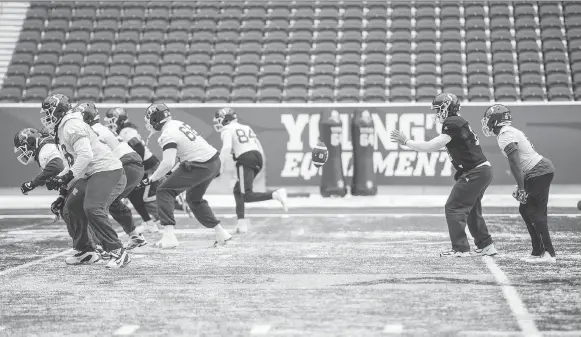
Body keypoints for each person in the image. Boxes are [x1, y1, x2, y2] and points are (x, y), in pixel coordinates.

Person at [390, 92, 497, 257]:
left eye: (438, 110)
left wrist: (406, 142)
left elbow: (431, 146)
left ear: (447, 108)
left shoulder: (453, 122)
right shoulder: (457, 122)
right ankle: (486, 245)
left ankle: (460, 249)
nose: (437, 114)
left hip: (475, 171)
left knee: (453, 207)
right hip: (481, 170)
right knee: (472, 209)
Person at [41, 93, 130, 268]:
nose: (46, 117)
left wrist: (68, 175)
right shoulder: (63, 127)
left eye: (49, 111)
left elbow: (86, 155)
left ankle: (118, 251)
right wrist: (61, 179)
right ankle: (87, 251)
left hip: (106, 169)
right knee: (71, 207)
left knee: (92, 208)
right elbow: (74, 161)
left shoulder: (71, 126)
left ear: (59, 110)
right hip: (91, 172)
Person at [137, 103, 232, 248]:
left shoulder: (167, 134)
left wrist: (152, 178)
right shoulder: (176, 124)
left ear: (156, 118)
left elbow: (168, 162)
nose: (148, 123)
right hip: (213, 161)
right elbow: (183, 156)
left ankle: (169, 236)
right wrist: (168, 173)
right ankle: (221, 232)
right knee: (194, 199)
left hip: (200, 165)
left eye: (150, 119)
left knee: (164, 191)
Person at [482, 104, 556, 263]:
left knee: (534, 211)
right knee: (526, 209)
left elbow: (515, 163)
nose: (487, 123)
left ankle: (548, 253)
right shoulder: (507, 132)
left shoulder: (505, 134)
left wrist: (522, 187)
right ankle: (538, 251)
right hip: (536, 171)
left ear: (496, 120)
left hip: (539, 171)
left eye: (489, 119)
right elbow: (520, 162)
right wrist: (520, 185)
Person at [75, 102, 147, 250]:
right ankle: (134, 236)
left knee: (96, 206)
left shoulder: (90, 131)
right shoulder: (99, 128)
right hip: (133, 164)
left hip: (123, 163)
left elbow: (89, 157)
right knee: (113, 203)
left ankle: (102, 245)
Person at [213, 107, 288, 233]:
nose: (218, 122)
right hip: (257, 157)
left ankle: (275, 194)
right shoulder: (246, 127)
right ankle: (241, 223)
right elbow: (258, 145)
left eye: (219, 119)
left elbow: (227, 148)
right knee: (238, 190)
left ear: (226, 119)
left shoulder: (227, 129)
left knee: (246, 195)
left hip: (246, 159)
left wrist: (219, 166)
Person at [104, 107, 160, 233]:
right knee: (134, 195)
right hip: (142, 164)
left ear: (120, 119)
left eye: (111, 120)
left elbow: (139, 147)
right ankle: (150, 222)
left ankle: (157, 218)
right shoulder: (121, 130)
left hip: (148, 165)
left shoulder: (126, 130)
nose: (109, 123)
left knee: (145, 196)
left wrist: (137, 165)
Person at [14, 127, 65, 196]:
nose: (23, 153)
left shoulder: (44, 149)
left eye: (23, 149)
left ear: (30, 142)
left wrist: (32, 184)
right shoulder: (47, 143)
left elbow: (57, 167)